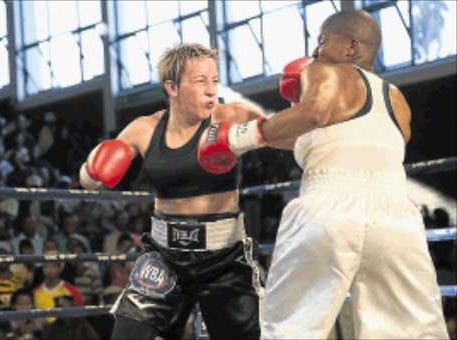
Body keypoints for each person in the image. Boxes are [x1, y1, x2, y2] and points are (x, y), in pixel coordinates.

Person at [197, 10, 449, 340]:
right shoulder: (397, 99)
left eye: (322, 40)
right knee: (411, 332)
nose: (314, 51)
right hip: (396, 218)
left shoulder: (325, 70)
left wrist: (235, 137)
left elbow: (318, 112)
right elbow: (330, 135)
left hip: (329, 208)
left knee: (291, 328)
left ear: (351, 46)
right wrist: (254, 137)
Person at [79, 43, 264, 340]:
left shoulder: (232, 115)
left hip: (225, 256)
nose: (210, 89)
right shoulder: (145, 128)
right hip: (164, 257)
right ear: (172, 87)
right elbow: (90, 178)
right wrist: (91, 171)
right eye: (200, 80)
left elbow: (286, 135)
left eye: (214, 80)